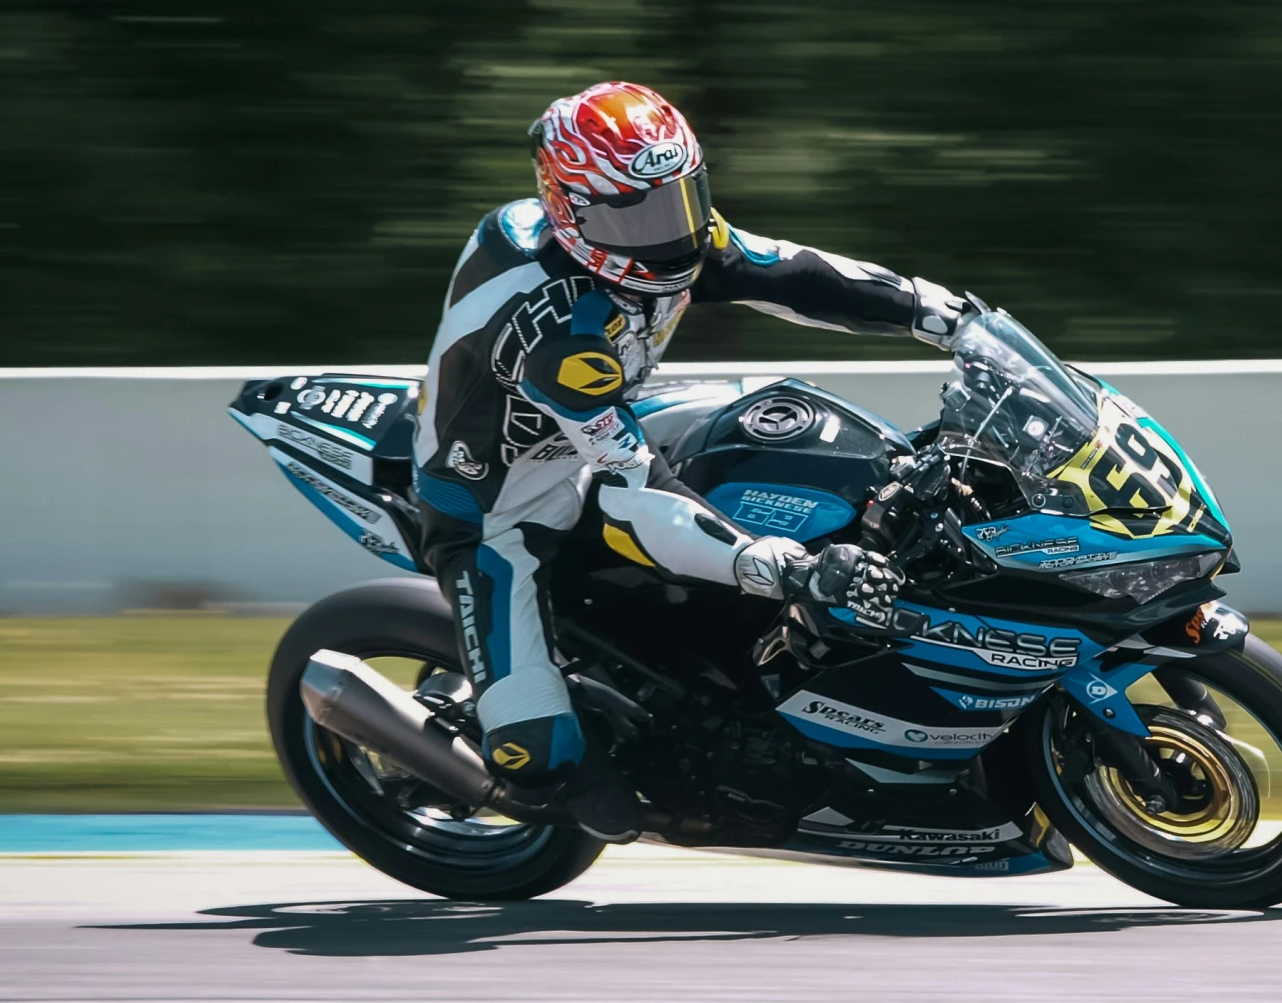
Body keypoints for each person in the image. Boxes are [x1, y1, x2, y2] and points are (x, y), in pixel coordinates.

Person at [413, 81, 965, 840]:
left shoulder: (669, 238)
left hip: (615, 411)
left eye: (677, 200)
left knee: (810, 457)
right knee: (539, 757)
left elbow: (795, 273)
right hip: (501, 502)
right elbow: (637, 491)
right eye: (635, 216)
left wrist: (945, 315)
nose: (668, 233)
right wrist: (788, 569)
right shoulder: (556, 334)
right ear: (571, 211)